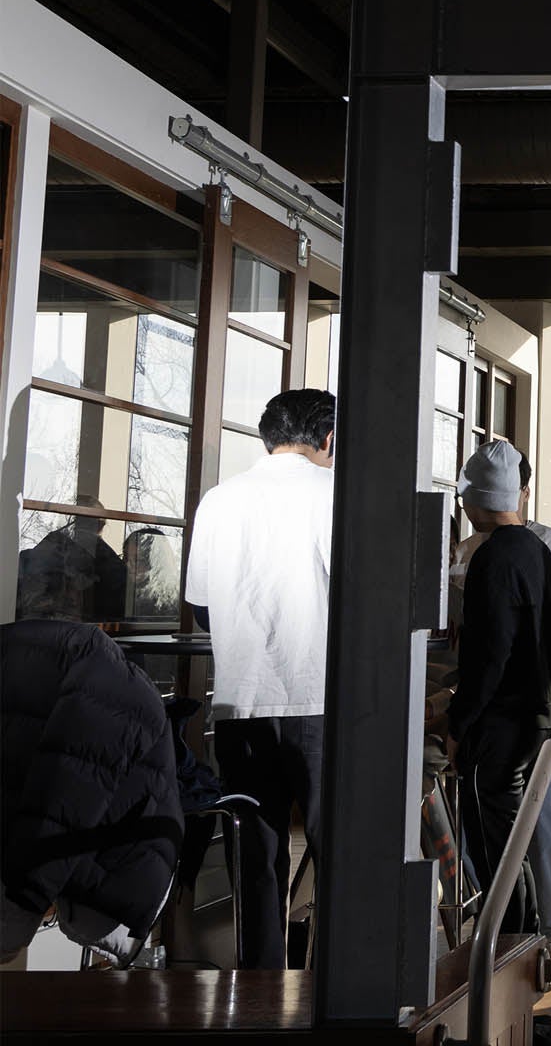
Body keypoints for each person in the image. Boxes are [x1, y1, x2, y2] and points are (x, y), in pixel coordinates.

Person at [182, 388, 336, 969]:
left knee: (257, 852)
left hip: (241, 704)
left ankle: (261, 991)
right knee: (335, 851)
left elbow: (201, 604)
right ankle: (338, 990)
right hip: (320, 697)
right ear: (328, 439)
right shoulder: (335, 495)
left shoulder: (221, 500)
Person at [446, 444, 551, 947]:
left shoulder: (493, 557)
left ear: (475, 500)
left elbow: (489, 658)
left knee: (503, 845)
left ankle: (510, 948)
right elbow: (549, 636)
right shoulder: (535, 552)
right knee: (519, 839)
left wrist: (457, 722)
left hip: (503, 724)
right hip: (538, 717)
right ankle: (528, 941)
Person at [1, 619, 182, 966]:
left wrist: (26, 898)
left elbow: (62, 805)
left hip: (114, 860)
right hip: (111, 852)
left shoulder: (104, 689)